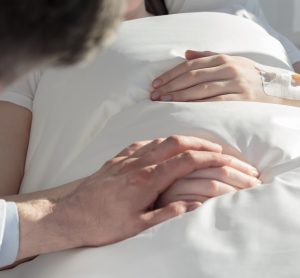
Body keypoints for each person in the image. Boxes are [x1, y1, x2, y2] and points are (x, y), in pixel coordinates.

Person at [0, 0, 260, 269]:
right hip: (150, 240)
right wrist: (141, 188)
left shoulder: (241, 22)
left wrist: (277, 86)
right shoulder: (28, 56)